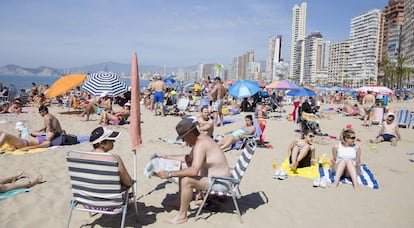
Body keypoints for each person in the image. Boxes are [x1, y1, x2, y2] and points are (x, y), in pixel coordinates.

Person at [155, 118, 230, 224]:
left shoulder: (201, 144)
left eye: (183, 138)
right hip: (215, 178)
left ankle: (182, 216)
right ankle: (179, 202)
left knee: (187, 180)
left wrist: (169, 174)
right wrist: (167, 157)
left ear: (189, 134)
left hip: (220, 182)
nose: (183, 141)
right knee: (183, 169)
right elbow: (189, 159)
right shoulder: (200, 139)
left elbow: (194, 171)